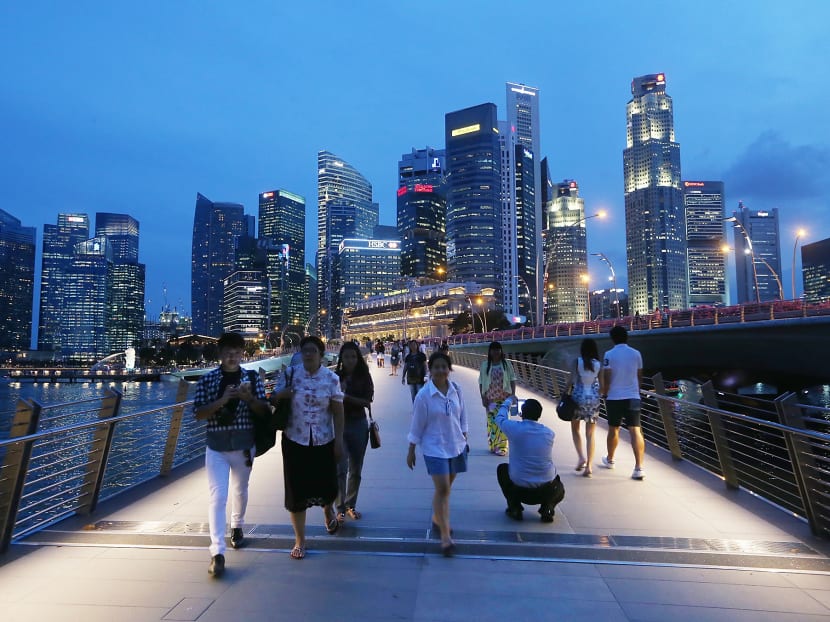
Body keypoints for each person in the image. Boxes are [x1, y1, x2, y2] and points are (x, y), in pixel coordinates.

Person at [193, 332, 271, 578]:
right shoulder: (208, 380)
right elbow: (198, 413)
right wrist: (222, 400)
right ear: (220, 353)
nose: (232, 356)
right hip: (216, 447)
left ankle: (237, 525)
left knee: (240, 491)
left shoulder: (250, 377)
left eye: (237, 352)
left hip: (244, 445)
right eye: (228, 351)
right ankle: (217, 552)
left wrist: (248, 399)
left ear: (242, 354)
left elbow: (265, 411)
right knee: (218, 497)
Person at [270, 335, 345, 560]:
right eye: (305, 351)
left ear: (321, 354)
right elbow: (273, 399)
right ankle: (300, 540)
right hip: (294, 440)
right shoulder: (290, 375)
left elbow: (338, 412)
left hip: (323, 439)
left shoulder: (331, 379)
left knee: (328, 485)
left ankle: (327, 510)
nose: (309, 354)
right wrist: (282, 394)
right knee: (296, 492)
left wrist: (339, 440)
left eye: (313, 350)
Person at [406, 351, 468, 556]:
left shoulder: (456, 389)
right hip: (434, 448)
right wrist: (411, 450)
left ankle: (436, 518)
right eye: (436, 367)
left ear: (449, 369)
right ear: (429, 370)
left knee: (446, 490)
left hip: (456, 446)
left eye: (444, 367)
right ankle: (445, 536)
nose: (440, 370)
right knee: (442, 490)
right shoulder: (424, 395)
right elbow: (417, 425)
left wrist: (465, 438)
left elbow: (463, 416)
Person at [491, 397, 565, 522]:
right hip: (546, 490)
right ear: (539, 415)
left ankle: (515, 508)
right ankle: (547, 507)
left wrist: (508, 402)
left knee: (502, 469)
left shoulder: (514, 428)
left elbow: (499, 418)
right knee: (558, 484)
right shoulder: (549, 433)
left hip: (519, 490)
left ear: (521, 413)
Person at [334, 341, 374, 523]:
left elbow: (367, 402)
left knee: (356, 469)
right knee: (340, 468)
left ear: (358, 358)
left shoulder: (364, 377)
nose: (350, 360)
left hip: (358, 424)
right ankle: (339, 508)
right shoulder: (335, 377)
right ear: (341, 358)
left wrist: (345, 397)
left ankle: (351, 505)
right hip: (339, 426)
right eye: (346, 357)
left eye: (353, 356)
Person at [600, 325, 646, 480]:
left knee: (614, 429)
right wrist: (636, 391)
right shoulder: (636, 354)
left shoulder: (609, 354)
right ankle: (639, 468)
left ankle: (610, 460)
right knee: (635, 430)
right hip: (633, 396)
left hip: (614, 397)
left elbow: (607, 376)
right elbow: (639, 376)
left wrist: (604, 393)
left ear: (612, 338)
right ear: (627, 337)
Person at [566, 339, 602, 477]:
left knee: (575, 429)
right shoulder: (598, 365)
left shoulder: (577, 362)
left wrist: (564, 393)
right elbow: (602, 386)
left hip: (577, 398)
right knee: (590, 434)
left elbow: (571, 380)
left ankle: (581, 457)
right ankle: (590, 466)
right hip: (593, 399)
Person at [478, 341, 516, 456]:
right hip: (490, 400)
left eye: (498, 349)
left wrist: (513, 394)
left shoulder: (506, 364)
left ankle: (502, 447)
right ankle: (493, 445)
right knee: (492, 423)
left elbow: (512, 379)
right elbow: (481, 382)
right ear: (490, 352)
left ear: (501, 351)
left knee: (503, 423)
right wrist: (483, 397)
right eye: (493, 350)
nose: (496, 352)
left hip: (504, 399)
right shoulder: (485, 365)